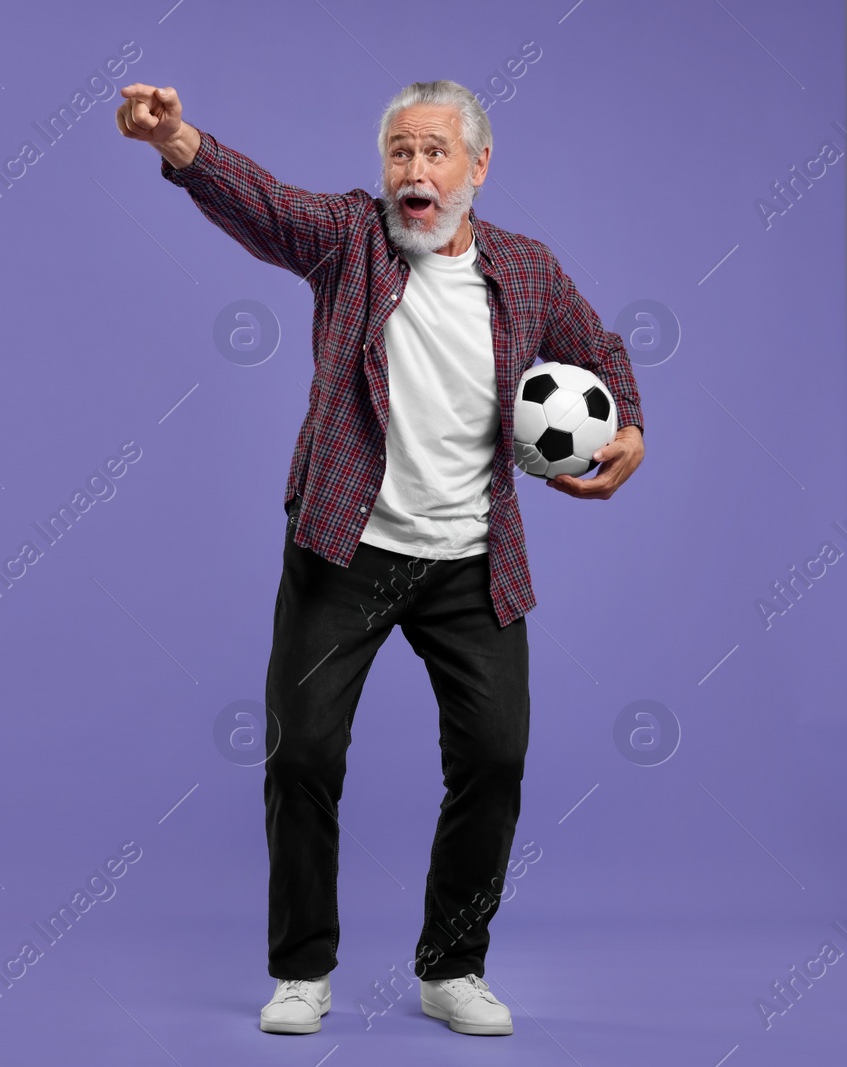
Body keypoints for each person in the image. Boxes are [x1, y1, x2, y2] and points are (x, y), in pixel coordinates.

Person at [115, 79, 645, 1037]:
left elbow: (598, 348)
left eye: (436, 152)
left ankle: (452, 967)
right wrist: (179, 140)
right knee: (303, 752)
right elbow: (264, 201)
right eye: (401, 151)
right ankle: (302, 968)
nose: (416, 170)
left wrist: (633, 428)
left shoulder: (526, 271)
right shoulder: (348, 241)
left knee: (496, 755)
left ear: (478, 170)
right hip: (343, 545)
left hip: (474, 559)